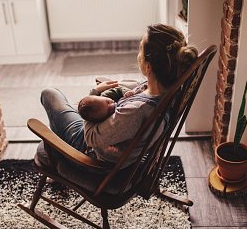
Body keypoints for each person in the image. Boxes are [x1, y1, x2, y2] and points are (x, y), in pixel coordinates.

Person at [38, 23, 198, 169]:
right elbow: (134, 93)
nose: (138, 54)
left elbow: (91, 137)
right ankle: (56, 149)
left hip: (93, 155)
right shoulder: (170, 90)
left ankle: (58, 155)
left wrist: (91, 99)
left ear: (148, 67)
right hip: (117, 143)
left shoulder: (136, 111)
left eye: (141, 48)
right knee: (67, 108)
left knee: (49, 94)